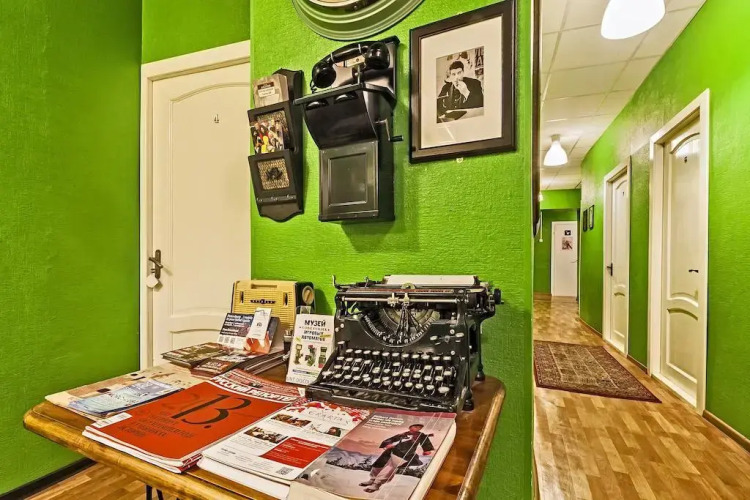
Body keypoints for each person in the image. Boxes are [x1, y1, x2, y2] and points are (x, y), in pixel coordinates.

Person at [359, 424, 434, 493]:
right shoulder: (403, 434)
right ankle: (372, 479)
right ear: (410, 427)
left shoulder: (421, 435)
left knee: (390, 467)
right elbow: (391, 439)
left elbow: (425, 442)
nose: (418, 428)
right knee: (379, 464)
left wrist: (427, 450)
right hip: (392, 451)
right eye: (416, 427)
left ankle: (377, 484)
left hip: (404, 454)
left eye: (419, 427)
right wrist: (388, 444)